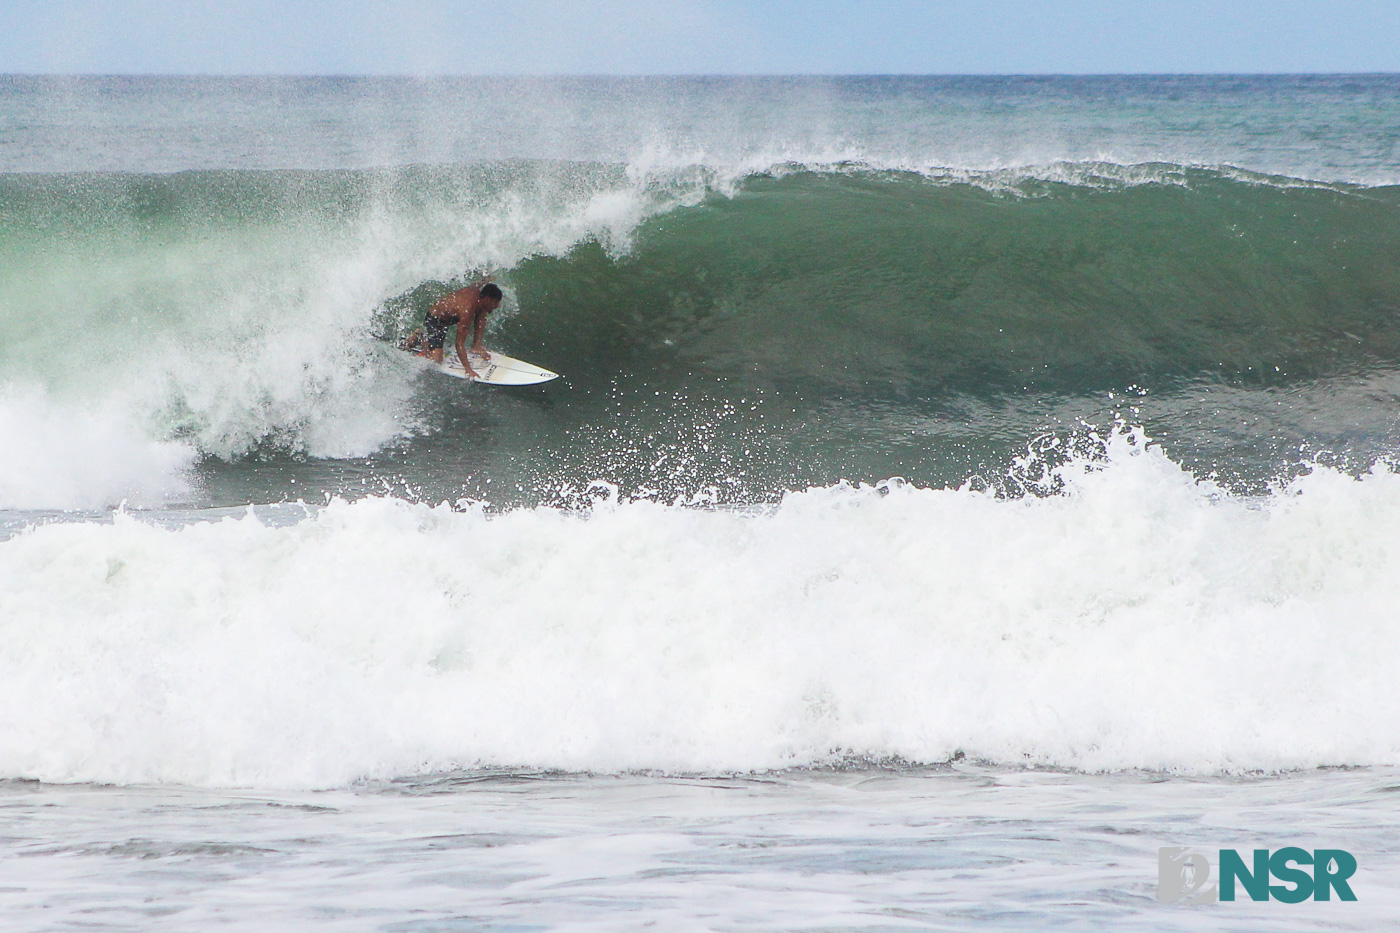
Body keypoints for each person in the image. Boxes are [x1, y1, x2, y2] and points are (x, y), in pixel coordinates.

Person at [402, 282, 503, 379]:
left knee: (482, 313)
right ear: (487, 298)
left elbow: (476, 285)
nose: (497, 306)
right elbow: (459, 344)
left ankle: (476, 346)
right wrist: (468, 369)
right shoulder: (467, 310)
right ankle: (421, 336)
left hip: (447, 316)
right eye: (495, 303)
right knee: (436, 360)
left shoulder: (478, 294)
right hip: (436, 320)